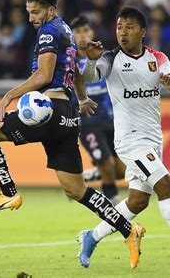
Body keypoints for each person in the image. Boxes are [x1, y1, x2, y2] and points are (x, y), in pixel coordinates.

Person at [0, 0, 142, 267]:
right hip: (68, 117)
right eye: (28, 11)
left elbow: (45, 75)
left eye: (35, 11)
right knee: (76, 190)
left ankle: (8, 192)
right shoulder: (65, 30)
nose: (31, 18)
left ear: (51, 9)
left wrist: (9, 95)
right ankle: (129, 229)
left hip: (47, 113)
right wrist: (84, 98)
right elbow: (73, 72)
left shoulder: (49, 31)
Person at [77, 6, 170, 268]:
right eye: (119, 27)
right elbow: (88, 77)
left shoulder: (157, 57)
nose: (123, 32)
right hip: (130, 141)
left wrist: (169, 82)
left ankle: (92, 236)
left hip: (153, 139)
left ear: (143, 31)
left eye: (129, 27)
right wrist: (92, 60)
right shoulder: (110, 59)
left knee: (137, 201)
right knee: (165, 184)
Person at [70, 15, 125, 205]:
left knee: (122, 170)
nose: (83, 35)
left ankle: (91, 174)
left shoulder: (107, 57)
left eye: (85, 30)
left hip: (111, 120)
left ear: (92, 32)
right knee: (107, 163)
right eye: (77, 32)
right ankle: (114, 201)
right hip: (87, 123)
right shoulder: (69, 63)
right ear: (72, 36)